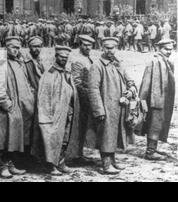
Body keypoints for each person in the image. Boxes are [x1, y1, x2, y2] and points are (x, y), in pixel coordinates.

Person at [88, 37, 136, 175]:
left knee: (114, 135)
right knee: (106, 135)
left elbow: (130, 80)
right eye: (107, 48)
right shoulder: (97, 66)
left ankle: (113, 160)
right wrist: (99, 109)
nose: (110, 50)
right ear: (102, 48)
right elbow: (93, 89)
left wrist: (130, 90)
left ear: (116, 48)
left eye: (113, 48)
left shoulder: (118, 64)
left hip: (120, 107)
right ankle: (106, 163)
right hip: (106, 107)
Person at [0, 36, 33, 178]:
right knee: (2, 137)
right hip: (7, 108)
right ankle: (1, 166)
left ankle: (10, 163)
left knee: (13, 138)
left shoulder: (19, 62)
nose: (16, 50)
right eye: (13, 47)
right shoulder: (2, 63)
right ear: (6, 47)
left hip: (19, 107)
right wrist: (6, 104)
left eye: (18, 47)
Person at [38, 45, 80, 175]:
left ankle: (61, 162)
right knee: (52, 139)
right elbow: (43, 97)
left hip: (67, 111)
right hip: (54, 114)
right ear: (56, 57)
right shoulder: (50, 73)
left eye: (66, 57)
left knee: (64, 138)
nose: (64, 59)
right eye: (61, 57)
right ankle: (50, 166)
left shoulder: (66, 72)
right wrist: (46, 116)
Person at [137, 39, 175, 160]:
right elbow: (146, 81)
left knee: (159, 123)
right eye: (166, 49)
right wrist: (142, 99)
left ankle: (154, 147)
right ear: (159, 48)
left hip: (163, 98)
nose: (169, 51)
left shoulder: (166, 61)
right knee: (154, 123)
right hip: (155, 99)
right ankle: (150, 151)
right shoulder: (154, 61)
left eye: (171, 49)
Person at [70, 35, 96, 165]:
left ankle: (79, 154)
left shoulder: (88, 58)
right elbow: (77, 82)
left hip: (87, 96)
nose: (87, 47)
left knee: (84, 126)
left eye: (89, 45)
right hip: (81, 98)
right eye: (85, 45)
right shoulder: (77, 60)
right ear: (80, 45)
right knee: (78, 126)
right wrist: (87, 97)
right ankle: (75, 156)